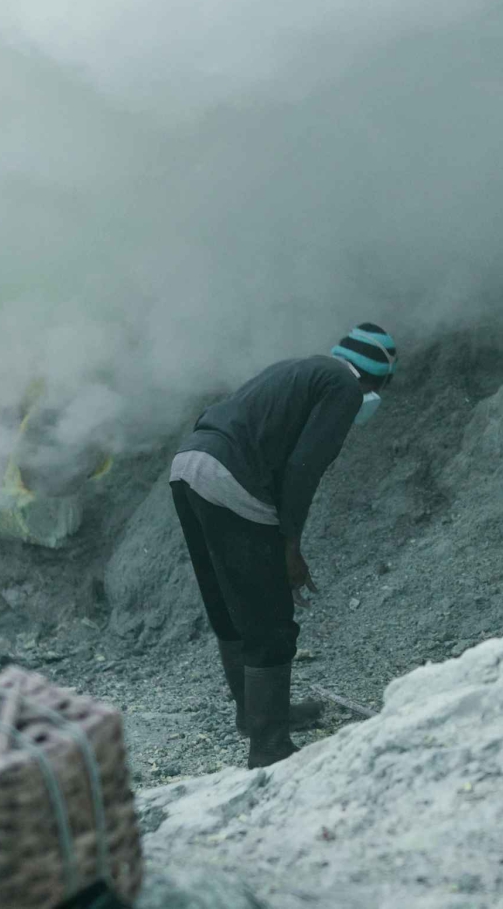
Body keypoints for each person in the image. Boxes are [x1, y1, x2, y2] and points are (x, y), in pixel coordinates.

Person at [168, 323, 397, 768]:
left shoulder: (299, 370)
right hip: (230, 472)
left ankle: (254, 718)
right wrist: (290, 546)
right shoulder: (344, 387)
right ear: (377, 379)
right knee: (269, 618)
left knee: (228, 606)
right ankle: (269, 745)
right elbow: (304, 468)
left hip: (188, 465)